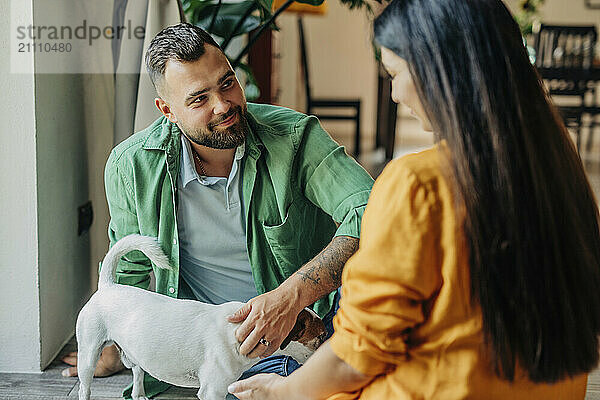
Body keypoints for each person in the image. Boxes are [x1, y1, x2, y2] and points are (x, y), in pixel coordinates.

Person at [227, 0, 600, 399]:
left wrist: (281, 392)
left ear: (437, 69)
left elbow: (355, 357)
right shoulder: (558, 158)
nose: (394, 94)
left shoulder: (416, 182)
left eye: (395, 73)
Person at [61, 23, 374, 399]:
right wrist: (117, 343)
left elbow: (372, 212)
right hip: (205, 351)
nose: (223, 105)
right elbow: (130, 273)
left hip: (299, 337)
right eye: (199, 99)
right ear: (167, 111)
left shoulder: (296, 138)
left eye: (227, 83)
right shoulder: (131, 167)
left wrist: (290, 298)